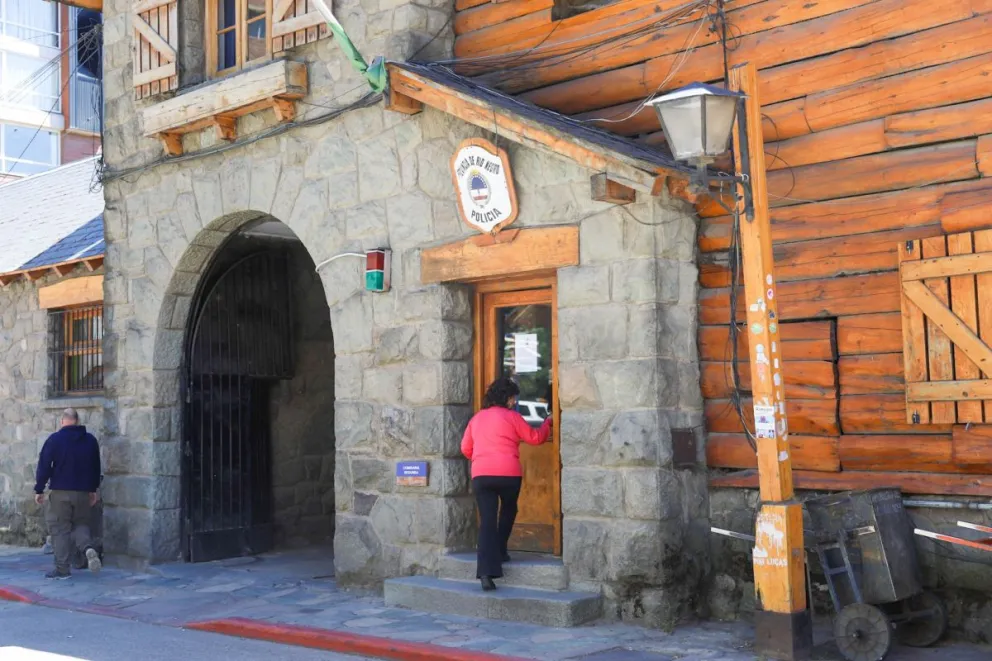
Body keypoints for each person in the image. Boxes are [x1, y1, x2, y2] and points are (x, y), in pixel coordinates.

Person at [461, 377, 552, 591]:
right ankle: (501, 550)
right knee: (509, 510)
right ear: (507, 398)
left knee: (487, 521)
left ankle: (486, 572)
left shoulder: (477, 418)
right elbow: (535, 438)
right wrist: (547, 423)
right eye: (513, 398)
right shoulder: (513, 417)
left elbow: (465, 448)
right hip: (508, 474)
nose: (514, 401)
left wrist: (481, 458)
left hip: (482, 475)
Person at [34, 408, 103, 580]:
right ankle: (87, 548)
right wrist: (93, 489)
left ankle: (62, 569)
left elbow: (44, 465)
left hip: (60, 492)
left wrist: (39, 489)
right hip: (83, 492)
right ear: (77, 421)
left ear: (62, 421)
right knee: (81, 524)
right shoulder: (90, 441)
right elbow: (96, 467)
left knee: (60, 529)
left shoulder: (54, 440)